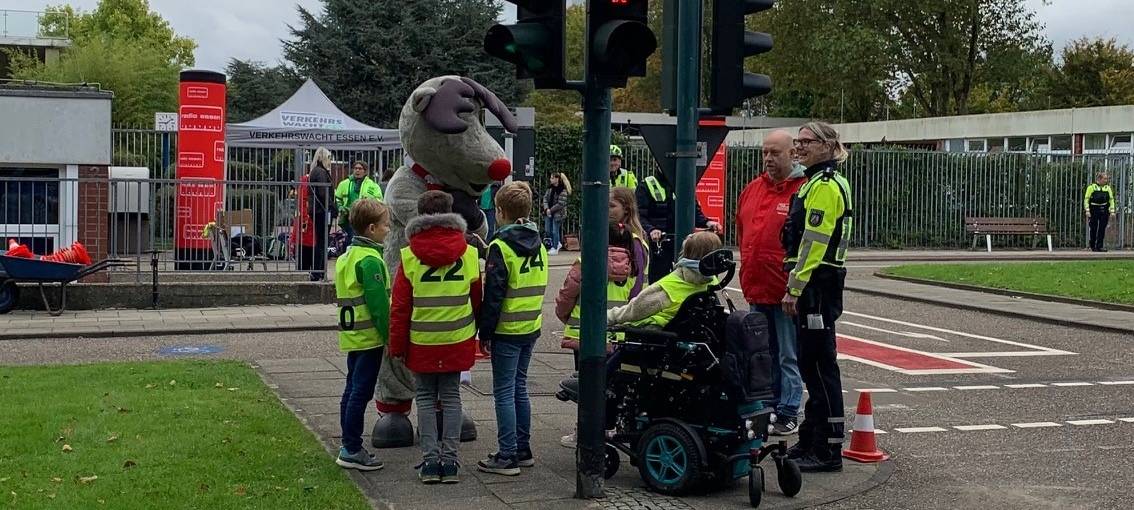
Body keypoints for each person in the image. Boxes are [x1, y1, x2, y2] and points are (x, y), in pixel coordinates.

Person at [388, 190, 482, 485]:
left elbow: (401, 307)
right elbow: (476, 298)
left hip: (422, 340)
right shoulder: (468, 252)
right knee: (452, 397)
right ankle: (451, 461)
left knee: (426, 398)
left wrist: (397, 345)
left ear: (420, 216)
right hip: (457, 337)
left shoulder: (409, 255)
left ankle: (430, 461)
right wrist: (478, 333)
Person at [780, 121, 853, 473]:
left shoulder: (824, 185)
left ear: (826, 146)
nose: (799, 147)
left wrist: (795, 287)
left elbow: (813, 242)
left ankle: (827, 449)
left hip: (817, 285)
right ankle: (812, 437)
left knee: (821, 366)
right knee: (811, 364)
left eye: (806, 142)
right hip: (817, 283)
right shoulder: (815, 182)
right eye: (798, 141)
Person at [737, 130, 807, 436]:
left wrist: (796, 285)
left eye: (775, 153)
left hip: (786, 289)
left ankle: (789, 409)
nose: (768, 158)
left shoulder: (802, 190)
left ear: (792, 154)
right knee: (763, 353)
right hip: (757, 285)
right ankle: (770, 404)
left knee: (787, 354)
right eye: (765, 152)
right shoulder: (753, 189)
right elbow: (743, 230)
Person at [477, 182, 549, 476]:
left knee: (504, 392)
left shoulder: (500, 247)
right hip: (530, 326)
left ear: (501, 212)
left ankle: (506, 455)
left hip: (506, 329)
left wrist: (485, 333)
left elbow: (493, 295)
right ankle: (523, 447)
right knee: (519, 388)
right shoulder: (539, 242)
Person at [554, 223, 637, 449]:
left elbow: (566, 296)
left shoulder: (586, 263)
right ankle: (609, 427)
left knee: (585, 384)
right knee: (610, 384)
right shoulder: (632, 267)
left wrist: (565, 317)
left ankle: (584, 431)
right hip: (615, 336)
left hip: (584, 334)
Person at [333, 198, 392, 472]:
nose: (388, 229)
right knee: (361, 392)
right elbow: (379, 306)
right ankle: (352, 447)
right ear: (371, 228)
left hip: (353, 335)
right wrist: (390, 336)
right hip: (369, 337)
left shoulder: (347, 256)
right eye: (385, 225)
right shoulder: (370, 261)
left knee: (350, 389)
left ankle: (347, 441)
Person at [607, 231, 722, 329]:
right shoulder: (712, 282)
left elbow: (635, 310)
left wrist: (609, 317)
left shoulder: (669, 286)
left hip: (657, 334)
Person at [637, 172, 721, 283]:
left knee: (689, 278)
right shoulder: (647, 184)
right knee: (659, 280)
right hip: (659, 242)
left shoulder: (685, 183)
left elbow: (692, 212)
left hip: (683, 242)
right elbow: (640, 215)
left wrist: (708, 222)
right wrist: (651, 230)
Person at [609, 187, 650, 297]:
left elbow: (637, 284)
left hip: (624, 310)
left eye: (612, 206)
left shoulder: (634, 242)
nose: (606, 210)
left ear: (626, 209)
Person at [335, 161, 385, 247]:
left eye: (360, 169)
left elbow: (379, 200)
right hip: (348, 217)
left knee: (357, 239)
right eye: (355, 168)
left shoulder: (372, 185)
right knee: (351, 239)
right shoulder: (344, 183)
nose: (357, 170)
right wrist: (340, 207)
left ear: (365, 171)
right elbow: (337, 198)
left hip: (364, 217)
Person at [305, 147, 335, 281]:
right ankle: (318, 271)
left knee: (321, 241)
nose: (330, 161)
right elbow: (324, 193)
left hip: (318, 210)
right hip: (322, 210)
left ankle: (318, 271)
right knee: (322, 242)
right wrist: (333, 207)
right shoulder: (321, 172)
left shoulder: (315, 171)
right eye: (328, 158)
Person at [1084, 172, 1116, 252]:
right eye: (1104, 178)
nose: (1106, 180)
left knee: (1102, 228)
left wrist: (1112, 211)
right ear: (1099, 179)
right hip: (1094, 209)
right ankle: (1092, 245)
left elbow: (1111, 200)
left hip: (1104, 209)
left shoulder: (1107, 188)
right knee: (1093, 228)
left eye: (1106, 178)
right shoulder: (1091, 187)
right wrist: (1087, 210)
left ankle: (1100, 246)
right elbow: (1086, 199)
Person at [543, 172, 572, 255]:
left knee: (555, 230)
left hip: (558, 213)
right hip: (548, 212)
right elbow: (545, 198)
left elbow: (560, 204)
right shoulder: (550, 189)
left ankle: (555, 247)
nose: (550, 179)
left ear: (557, 179)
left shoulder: (562, 190)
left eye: (552, 178)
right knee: (548, 230)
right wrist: (546, 208)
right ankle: (557, 243)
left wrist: (550, 210)